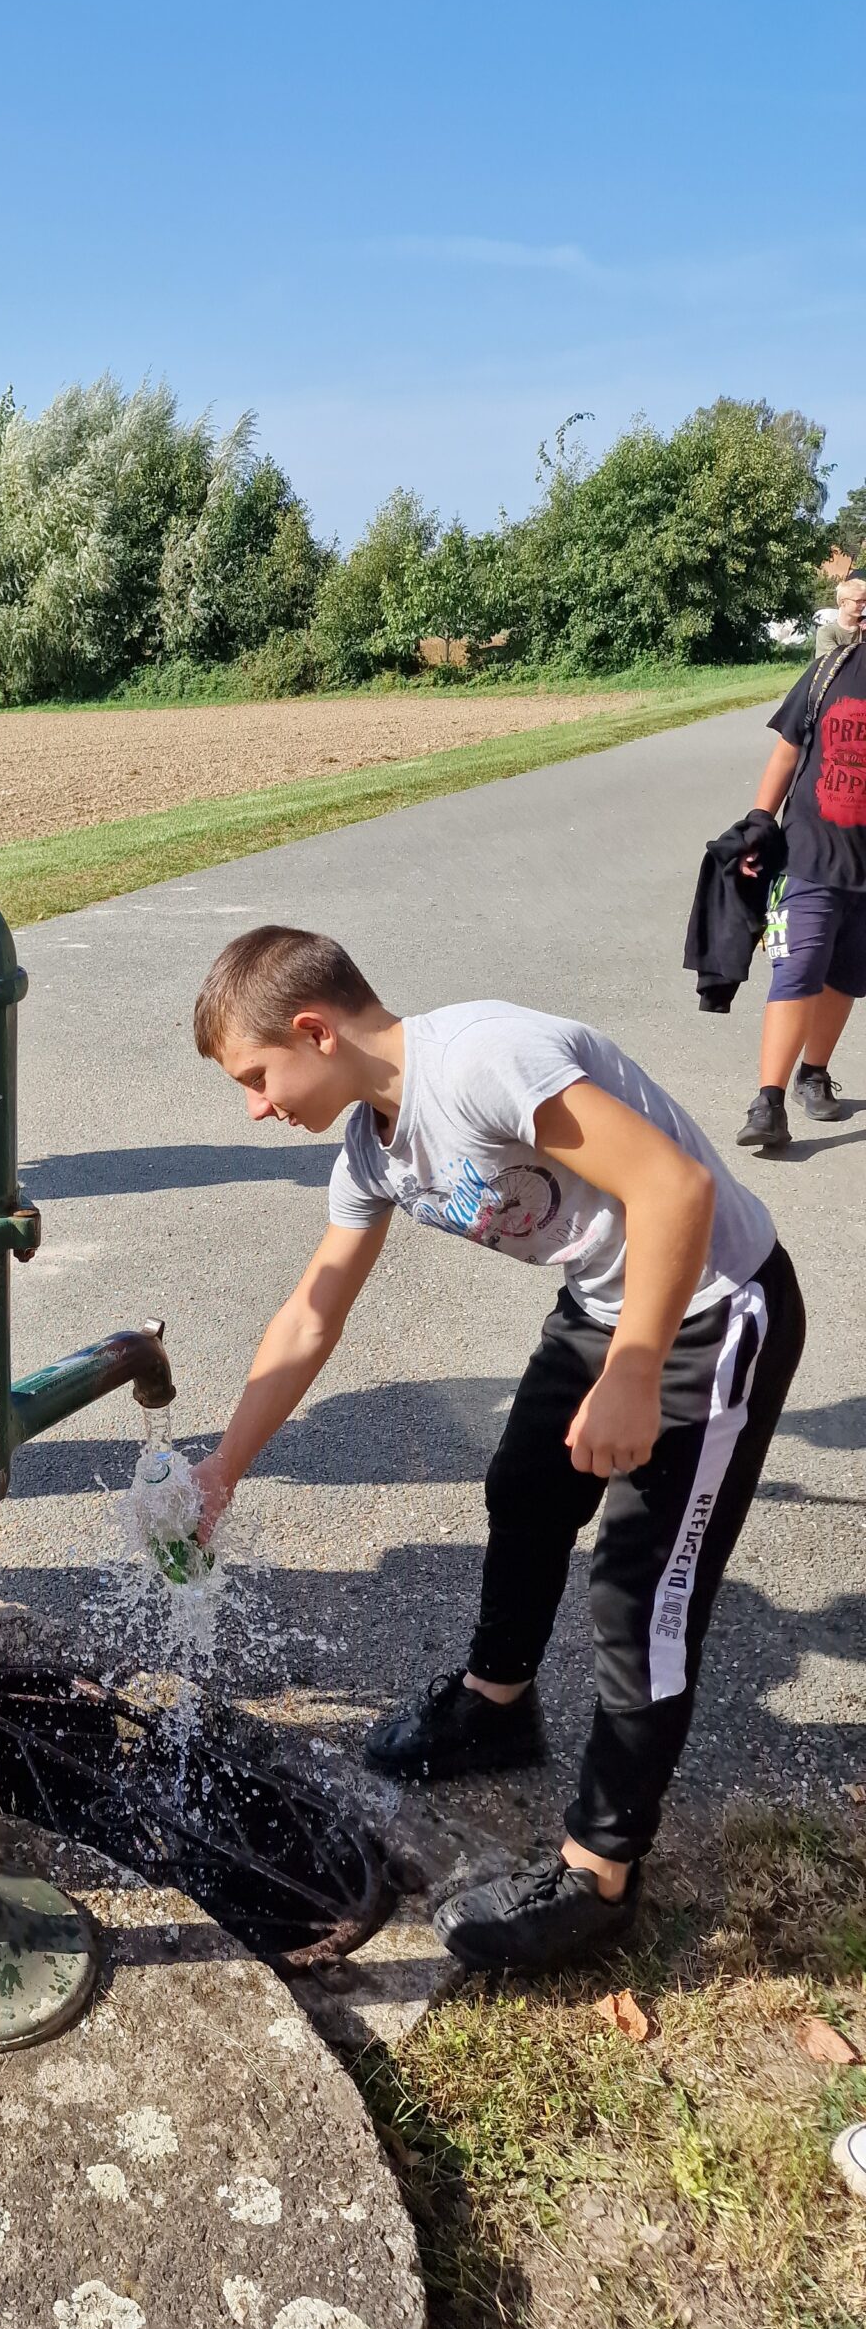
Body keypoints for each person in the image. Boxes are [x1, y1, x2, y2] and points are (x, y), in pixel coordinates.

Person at [188, 927, 803, 1975]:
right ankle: (496, 1706)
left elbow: (676, 1191)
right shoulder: (372, 1148)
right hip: (605, 1308)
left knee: (642, 1601)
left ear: (314, 1030)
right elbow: (311, 1315)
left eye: (255, 1078)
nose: (254, 1107)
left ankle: (601, 1872)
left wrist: (636, 1370)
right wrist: (222, 1471)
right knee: (524, 1487)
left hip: (712, 1308)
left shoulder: (480, 1063)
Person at [737, 595, 866, 1150]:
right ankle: (767, 1103)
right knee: (799, 966)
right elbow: (788, 751)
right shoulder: (829, 672)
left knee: (847, 976)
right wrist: (759, 822)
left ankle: (813, 1073)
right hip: (810, 854)